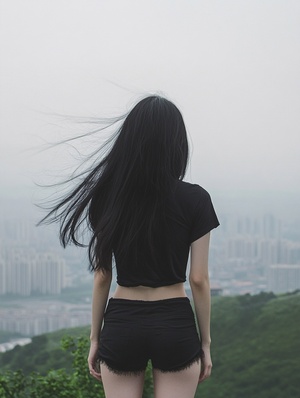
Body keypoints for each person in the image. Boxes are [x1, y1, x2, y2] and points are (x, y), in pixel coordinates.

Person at [41, 95, 219, 398]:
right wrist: (205, 343)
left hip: (123, 321)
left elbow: (102, 276)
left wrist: (95, 338)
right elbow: (198, 279)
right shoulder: (196, 199)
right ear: (176, 142)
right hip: (174, 322)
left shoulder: (109, 197)